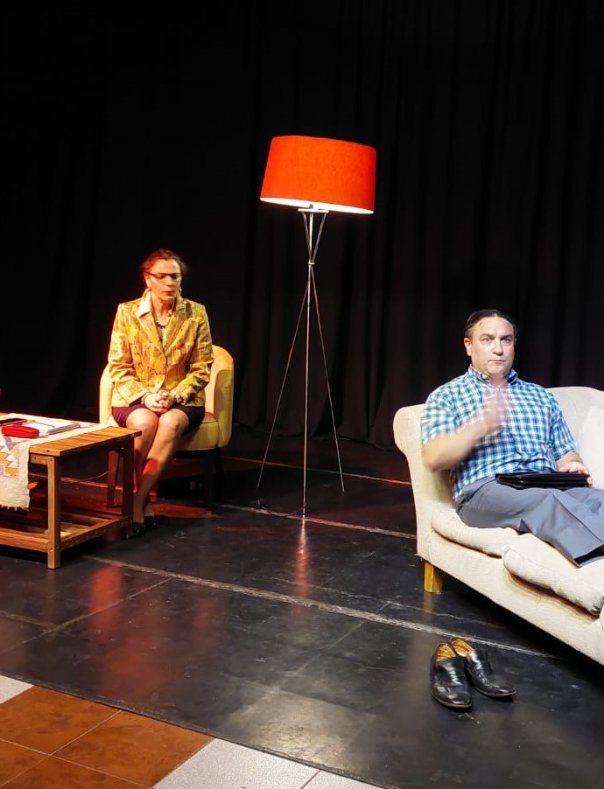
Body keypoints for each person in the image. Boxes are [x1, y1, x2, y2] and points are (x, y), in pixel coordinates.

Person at [420, 308, 604, 566]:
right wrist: (480, 426)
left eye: (506, 340)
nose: (498, 349)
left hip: (545, 482)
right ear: (469, 346)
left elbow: (565, 451)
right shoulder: (447, 395)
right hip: (485, 490)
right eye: (487, 340)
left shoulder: (540, 396)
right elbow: (433, 457)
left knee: (597, 499)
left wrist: (572, 464)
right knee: (547, 502)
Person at [107, 248, 213, 535]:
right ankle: (142, 505)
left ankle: (135, 502)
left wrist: (175, 395)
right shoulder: (127, 312)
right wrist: (145, 396)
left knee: (169, 423)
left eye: (174, 277)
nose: (169, 282)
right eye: (162, 276)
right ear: (148, 279)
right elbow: (118, 365)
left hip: (182, 398)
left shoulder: (196, 313)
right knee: (145, 422)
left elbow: (202, 367)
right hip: (135, 396)